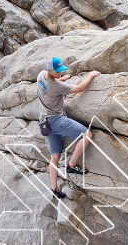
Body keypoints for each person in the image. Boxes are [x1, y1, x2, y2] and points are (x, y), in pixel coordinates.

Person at [37, 56, 100, 199]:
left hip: (44, 123)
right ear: (50, 70)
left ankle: (54, 188)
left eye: (61, 71)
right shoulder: (56, 86)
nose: (60, 73)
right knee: (87, 134)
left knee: (55, 157)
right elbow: (80, 88)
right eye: (57, 71)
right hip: (55, 120)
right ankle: (71, 165)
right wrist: (91, 75)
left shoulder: (40, 76)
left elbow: (49, 82)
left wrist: (61, 78)